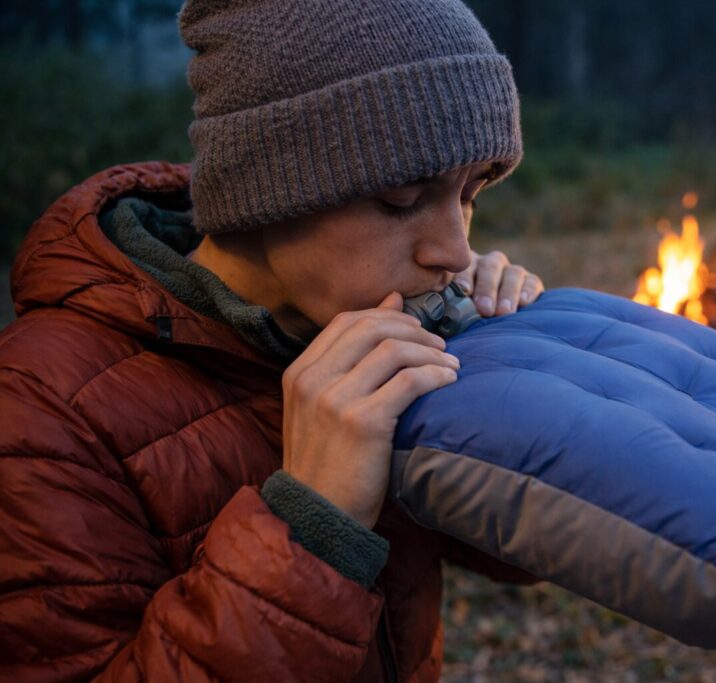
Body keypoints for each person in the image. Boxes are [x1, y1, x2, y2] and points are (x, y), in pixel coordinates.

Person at [0, 0, 544, 680]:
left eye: (471, 192)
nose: (458, 252)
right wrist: (311, 528)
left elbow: (517, 555)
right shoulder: (38, 409)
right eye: (404, 198)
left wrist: (510, 369)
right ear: (267, 188)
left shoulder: (377, 322)